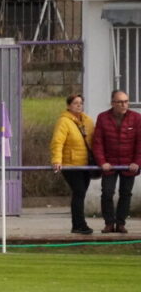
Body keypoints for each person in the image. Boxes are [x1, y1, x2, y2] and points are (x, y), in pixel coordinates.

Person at [92, 90, 141, 233]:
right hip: (109, 164)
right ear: (113, 103)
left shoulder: (136, 118)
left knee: (125, 193)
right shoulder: (103, 118)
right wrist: (102, 162)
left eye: (126, 101)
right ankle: (109, 223)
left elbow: (140, 143)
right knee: (107, 193)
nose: (123, 104)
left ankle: (121, 223)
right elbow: (98, 143)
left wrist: (137, 162)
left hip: (129, 164)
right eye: (120, 102)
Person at [49, 94, 97, 234]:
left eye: (81, 103)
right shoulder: (63, 121)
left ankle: (78, 224)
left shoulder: (87, 121)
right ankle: (79, 224)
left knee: (81, 193)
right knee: (79, 191)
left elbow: (94, 140)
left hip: (85, 164)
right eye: (75, 103)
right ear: (69, 105)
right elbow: (57, 142)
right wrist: (57, 160)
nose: (79, 105)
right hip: (71, 164)